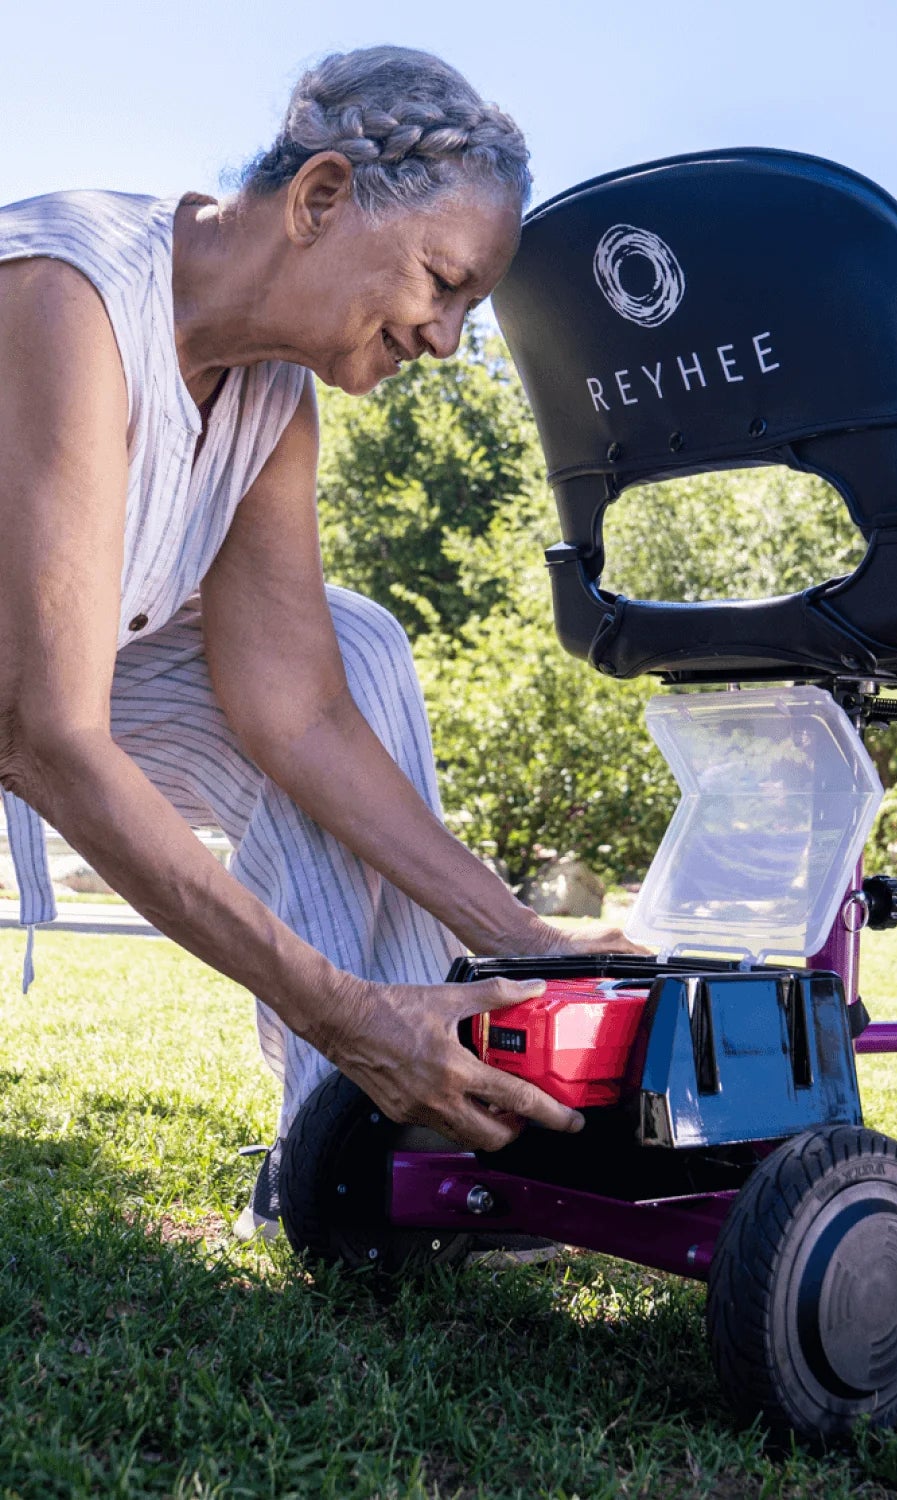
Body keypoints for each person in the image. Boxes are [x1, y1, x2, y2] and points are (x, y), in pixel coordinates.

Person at [0, 47, 632, 1227]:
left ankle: (350, 1161)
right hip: (31, 703)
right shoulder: (67, 294)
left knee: (361, 645)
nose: (446, 341)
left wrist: (521, 937)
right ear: (321, 197)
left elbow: (295, 707)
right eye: (442, 283)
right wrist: (347, 1012)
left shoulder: (271, 399)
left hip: (42, 691)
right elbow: (44, 734)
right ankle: (368, 1068)